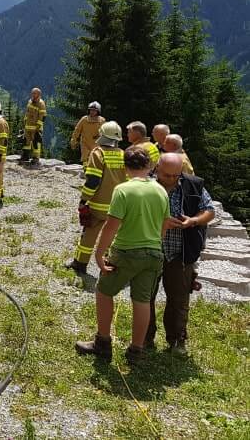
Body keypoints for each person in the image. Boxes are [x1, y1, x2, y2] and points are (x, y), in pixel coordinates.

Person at [75, 147, 169, 363]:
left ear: (126, 168)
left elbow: (111, 226)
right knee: (142, 300)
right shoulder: (160, 190)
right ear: (149, 166)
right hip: (154, 253)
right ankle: (136, 350)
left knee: (104, 291)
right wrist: (155, 244)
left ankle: (102, 343)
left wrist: (99, 254)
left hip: (126, 251)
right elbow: (164, 224)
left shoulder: (123, 190)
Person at [145, 153, 214, 354]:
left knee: (179, 299)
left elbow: (209, 210)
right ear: (157, 168)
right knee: (145, 296)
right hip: (150, 249)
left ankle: (177, 340)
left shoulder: (193, 185)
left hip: (181, 253)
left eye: (176, 175)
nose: (172, 179)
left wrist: (193, 221)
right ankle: (145, 338)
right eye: (167, 175)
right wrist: (160, 222)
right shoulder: (144, 184)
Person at [65, 121, 127, 274]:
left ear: (102, 135)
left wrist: (83, 199)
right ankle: (110, 265)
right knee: (113, 236)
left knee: (89, 234)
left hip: (99, 205)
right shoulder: (123, 154)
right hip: (118, 206)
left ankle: (80, 263)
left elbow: (93, 181)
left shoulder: (98, 153)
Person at [70, 102, 106, 167]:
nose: (92, 112)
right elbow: (77, 130)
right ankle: (85, 169)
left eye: (94, 110)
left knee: (96, 158)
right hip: (85, 143)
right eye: (91, 110)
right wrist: (73, 141)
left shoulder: (102, 120)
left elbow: (105, 132)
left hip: (96, 143)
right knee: (85, 158)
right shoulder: (84, 119)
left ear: (98, 111)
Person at [20, 87, 47, 165]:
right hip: (28, 126)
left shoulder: (41, 104)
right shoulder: (30, 101)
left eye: (34, 93)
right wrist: (25, 121)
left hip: (36, 128)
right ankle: (25, 156)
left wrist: (38, 126)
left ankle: (36, 158)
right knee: (26, 141)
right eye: (32, 93)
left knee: (36, 142)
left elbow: (43, 116)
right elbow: (27, 113)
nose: (33, 95)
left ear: (39, 94)